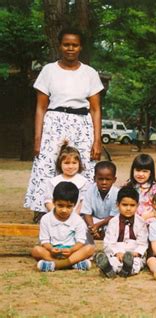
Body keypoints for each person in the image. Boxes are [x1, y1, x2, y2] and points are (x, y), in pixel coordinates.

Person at [25, 27, 103, 223]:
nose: (70, 48)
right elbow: (40, 108)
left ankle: (82, 210)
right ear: (60, 46)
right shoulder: (48, 70)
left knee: (82, 165)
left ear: (80, 47)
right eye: (66, 44)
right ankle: (44, 209)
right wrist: (37, 139)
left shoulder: (90, 73)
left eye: (74, 45)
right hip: (54, 122)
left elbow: (95, 109)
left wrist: (97, 141)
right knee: (47, 165)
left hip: (81, 123)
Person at [32, 182, 95, 272]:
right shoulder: (46, 219)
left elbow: (80, 241)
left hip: (71, 253)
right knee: (36, 250)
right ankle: (72, 264)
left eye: (69, 206)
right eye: (60, 206)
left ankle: (56, 265)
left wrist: (72, 250)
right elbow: (44, 241)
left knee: (90, 249)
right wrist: (51, 249)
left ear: (74, 205)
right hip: (53, 253)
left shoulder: (78, 220)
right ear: (54, 202)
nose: (64, 210)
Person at [95, 187, 148, 278]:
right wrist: (117, 253)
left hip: (133, 254)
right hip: (117, 253)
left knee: (137, 263)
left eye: (132, 205)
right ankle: (109, 270)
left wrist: (135, 253)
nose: (128, 208)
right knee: (113, 261)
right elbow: (108, 242)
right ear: (117, 204)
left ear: (137, 205)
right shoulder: (113, 222)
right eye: (124, 205)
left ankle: (127, 269)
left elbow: (143, 243)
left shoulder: (141, 222)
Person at [43, 142, 89, 214]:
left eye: (74, 163)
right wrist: (56, 214)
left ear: (79, 163)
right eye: (67, 163)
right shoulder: (53, 182)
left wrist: (74, 217)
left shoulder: (83, 182)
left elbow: (83, 202)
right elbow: (48, 201)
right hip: (56, 216)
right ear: (60, 164)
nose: (70, 166)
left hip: (76, 217)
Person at [81, 161, 119, 242]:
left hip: (109, 221)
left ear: (114, 180)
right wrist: (92, 228)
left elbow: (113, 216)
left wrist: (98, 225)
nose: (104, 182)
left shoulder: (117, 194)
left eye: (108, 179)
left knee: (115, 226)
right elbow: (87, 213)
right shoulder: (90, 191)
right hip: (94, 220)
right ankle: (89, 245)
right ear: (95, 178)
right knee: (81, 225)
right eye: (100, 179)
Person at [126, 154, 156, 223]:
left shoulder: (155, 189)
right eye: (138, 170)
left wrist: (145, 217)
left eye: (145, 171)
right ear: (133, 170)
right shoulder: (128, 186)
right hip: (130, 217)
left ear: (150, 173)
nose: (141, 174)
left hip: (148, 218)